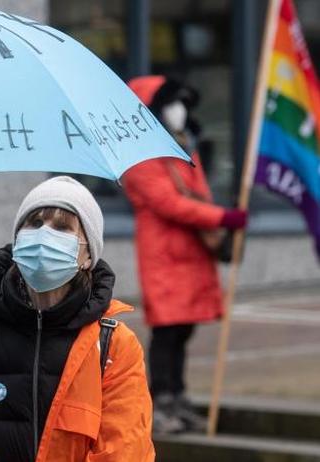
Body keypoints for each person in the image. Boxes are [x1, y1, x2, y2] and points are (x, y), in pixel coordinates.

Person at [0, 176, 154, 462]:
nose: (43, 235)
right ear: (17, 242)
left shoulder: (114, 346)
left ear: (87, 255)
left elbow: (125, 452)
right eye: (34, 223)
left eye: (62, 227)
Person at [123, 75, 249, 434]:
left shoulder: (184, 148)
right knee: (167, 331)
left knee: (183, 330)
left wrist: (218, 222)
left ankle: (177, 395)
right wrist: (222, 217)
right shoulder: (142, 156)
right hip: (165, 256)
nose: (179, 111)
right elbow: (169, 203)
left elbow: (196, 195)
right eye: (171, 103)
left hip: (188, 254)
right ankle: (160, 398)